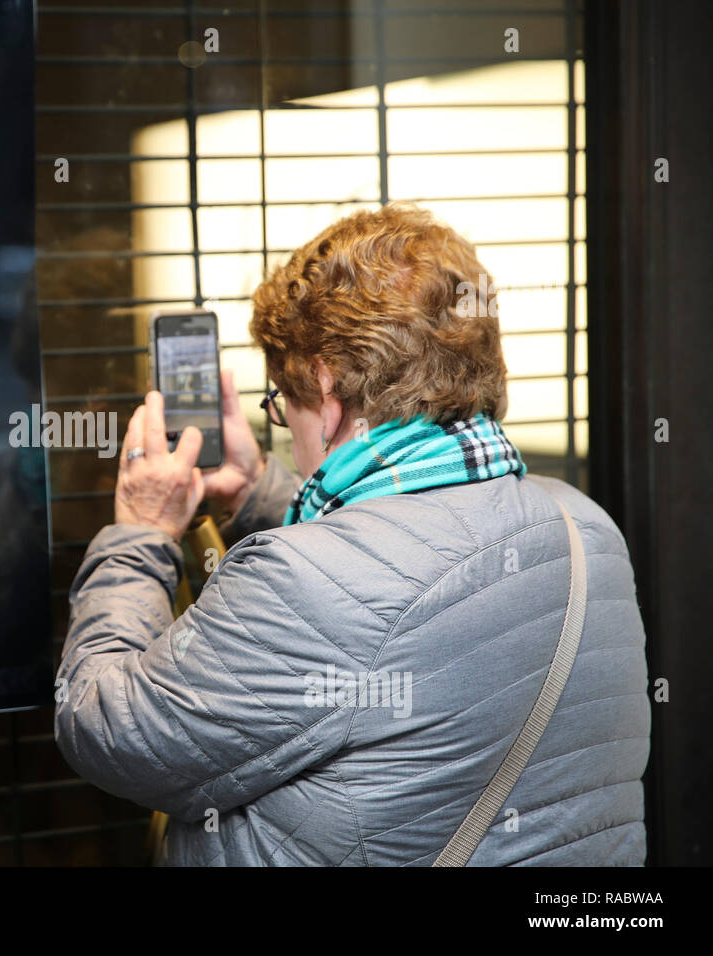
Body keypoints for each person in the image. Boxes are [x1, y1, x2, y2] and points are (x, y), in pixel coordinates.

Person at [54, 203, 650, 866]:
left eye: (283, 406)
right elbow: (405, 576)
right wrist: (260, 493)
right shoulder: (584, 528)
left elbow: (108, 727)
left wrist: (139, 533)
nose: (286, 430)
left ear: (327, 390)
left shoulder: (301, 581)